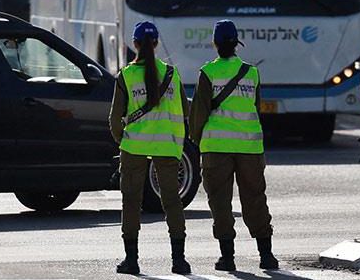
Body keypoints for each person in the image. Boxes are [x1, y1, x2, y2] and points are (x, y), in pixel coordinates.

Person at [189, 20, 279, 271]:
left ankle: (227, 257)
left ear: (215, 44)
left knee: (220, 201)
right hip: (250, 147)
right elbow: (257, 108)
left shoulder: (208, 73)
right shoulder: (252, 73)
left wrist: (197, 140)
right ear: (237, 44)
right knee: (255, 199)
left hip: (216, 147)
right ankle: (266, 255)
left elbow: (198, 113)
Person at [108, 21, 191, 275]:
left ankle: (131, 260)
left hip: (134, 147)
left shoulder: (126, 75)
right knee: (171, 201)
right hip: (167, 146)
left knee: (131, 201)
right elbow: (185, 110)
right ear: (155, 44)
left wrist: (123, 140)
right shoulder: (171, 74)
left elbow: (114, 118)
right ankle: (179, 261)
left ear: (134, 44)